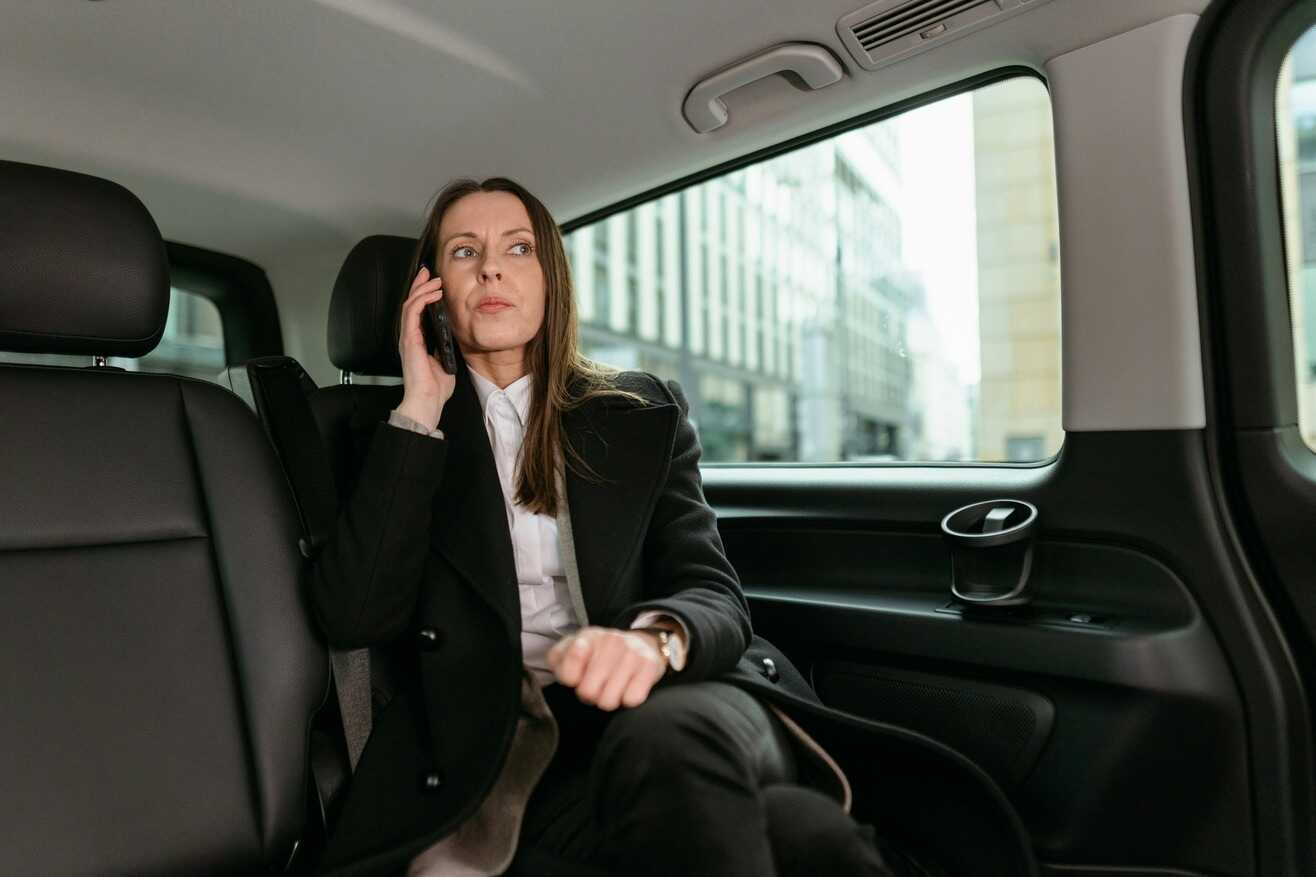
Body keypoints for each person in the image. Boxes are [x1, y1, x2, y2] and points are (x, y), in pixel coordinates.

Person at [308, 176, 897, 877]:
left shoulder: (641, 410)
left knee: (669, 740)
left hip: (676, 698)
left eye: (516, 248)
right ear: (430, 291)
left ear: (550, 279)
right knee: (806, 834)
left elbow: (713, 591)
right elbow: (353, 615)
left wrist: (653, 642)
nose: (491, 266)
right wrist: (420, 412)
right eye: (464, 252)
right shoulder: (393, 440)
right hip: (505, 753)